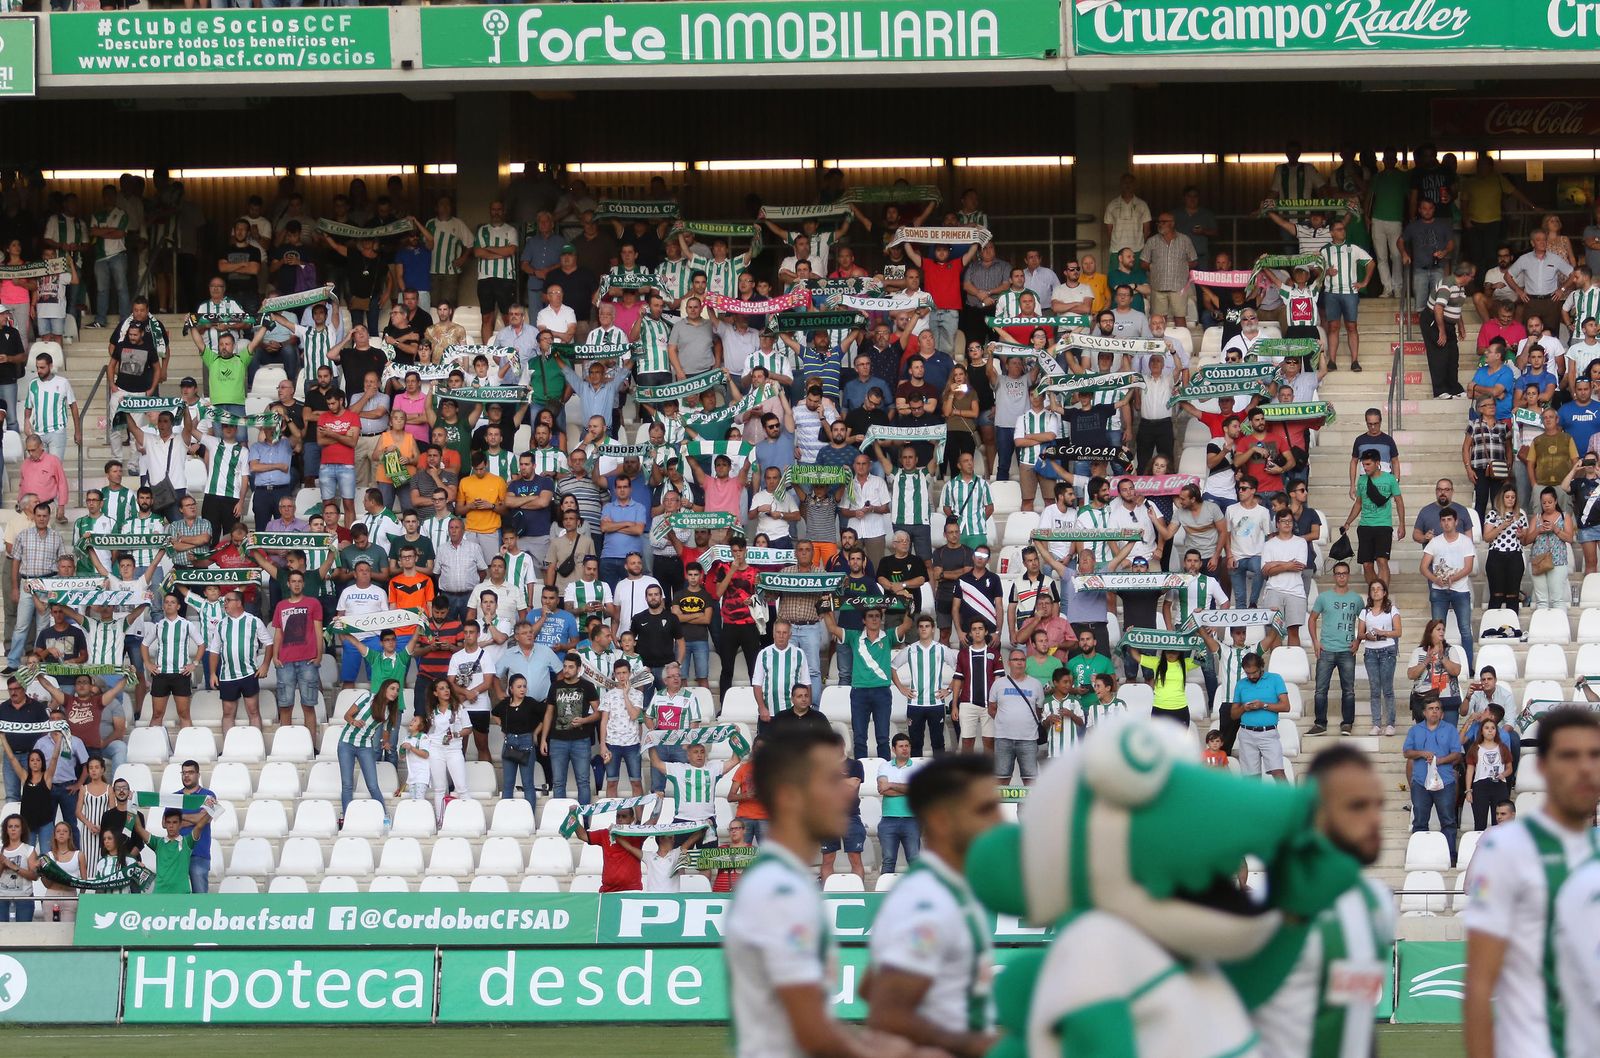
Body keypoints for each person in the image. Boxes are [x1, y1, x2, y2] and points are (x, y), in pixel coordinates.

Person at [725, 728, 920, 1058]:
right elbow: (808, 1027)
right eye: (829, 782)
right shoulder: (780, 891)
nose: (843, 792)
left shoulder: (788, 881)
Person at [1465, 708, 1600, 1058]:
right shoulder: (1505, 849)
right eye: (1569, 756)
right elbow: (1480, 983)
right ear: (1541, 766)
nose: (1584, 767)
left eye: (1595, 755)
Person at [1247, 746, 1393, 1058]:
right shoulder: (1271, 908)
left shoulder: (1376, 901)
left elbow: (1358, 1020)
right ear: (1318, 813)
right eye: (1357, 806)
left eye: (1378, 805)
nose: (1374, 818)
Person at [865, 754, 1001, 1058]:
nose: (1000, 821)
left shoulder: (949, 888)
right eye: (985, 810)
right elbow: (887, 1013)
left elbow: (868, 986)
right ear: (941, 820)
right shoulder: (927, 901)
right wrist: (975, 1045)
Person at [1403, 698, 1464, 866]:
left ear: (1442, 712)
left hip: (1445, 781)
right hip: (1421, 782)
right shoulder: (1415, 730)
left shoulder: (1450, 729)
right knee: (1420, 821)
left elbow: (1457, 754)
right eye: (1431, 708)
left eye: (1437, 708)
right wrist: (1422, 753)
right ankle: (1420, 856)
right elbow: (1406, 752)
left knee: (1448, 821)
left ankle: (1449, 855)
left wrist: (1440, 760)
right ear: (1424, 712)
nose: (1434, 711)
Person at [1308, 561, 1364, 736]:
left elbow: (1364, 620)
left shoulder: (1356, 599)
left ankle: (1347, 723)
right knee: (1320, 689)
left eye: (1344, 573)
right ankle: (1320, 723)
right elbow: (1312, 619)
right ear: (1334, 576)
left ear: (1348, 575)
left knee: (1348, 690)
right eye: (1338, 573)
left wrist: (1358, 640)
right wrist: (1315, 642)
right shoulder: (1324, 597)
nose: (1341, 576)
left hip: (1347, 650)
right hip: (1326, 650)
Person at [1421, 509, 1476, 675]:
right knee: (1436, 630)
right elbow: (1423, 567)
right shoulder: (1435, 542)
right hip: (1439, 590)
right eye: (1443, 520)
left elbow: (1468, 567)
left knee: (1465, 629)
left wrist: (1453, 577)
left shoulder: (1466, 541)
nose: (1446, 523)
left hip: (1460, 590)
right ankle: (1438, 663)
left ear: (1456, 521)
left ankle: (1467, 666)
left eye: (1449, 519)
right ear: (1440, 523)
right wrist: (1435, 579)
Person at [1342, 450, 1404, 587]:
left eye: (1368, 464)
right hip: (1365, 526)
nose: (1365, 467)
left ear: (1377, 463)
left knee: (1382, 561)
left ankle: (1384, 595)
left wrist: (1402, 524)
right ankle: (1375, 592)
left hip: (1383, 525)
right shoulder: (1362, 480)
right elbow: (1358, 503)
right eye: (1363, 465)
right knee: (1367, 564)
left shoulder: (1390, 479)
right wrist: (1348, 522)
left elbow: (1399, 501)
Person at [338, 680, 395, 821]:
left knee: (373, 785)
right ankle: (348, 818)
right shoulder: (367, 697)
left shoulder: (389, 712)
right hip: (346, 743)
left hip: (365, 746)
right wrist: (354, 722)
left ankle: (384, 818)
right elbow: (347, 715)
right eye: (392, 688)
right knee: (347, 784)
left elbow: (386, 732)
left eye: (397, 690)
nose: (395, 692)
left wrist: (385, 743)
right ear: (384, 689)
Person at [492, 672, 550, 807]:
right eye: (519, 686)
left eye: (524, 686)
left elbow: (546, 715)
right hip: (510, 742)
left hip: (526, 742)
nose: (522, 689)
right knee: (508, 784)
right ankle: (505, 817)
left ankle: (529, 816)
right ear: (511, 689)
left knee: (528, 783)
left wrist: (535, 733)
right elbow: (494, 713)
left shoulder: (530, 702)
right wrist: (503, 726)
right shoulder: (505, 704)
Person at [988, 647, 1045, 785]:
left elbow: (1039, 710)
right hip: (1003, 739)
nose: (1019, 663)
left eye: (1022, 660)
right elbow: (991, 708)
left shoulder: (1035, 684)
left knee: (1030, 780)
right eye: (1015, 660)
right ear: (1009, 663)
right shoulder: (998, 684)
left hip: (1028, 739)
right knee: (1001, 779)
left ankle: (1029, 808)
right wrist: (1006, 721)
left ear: (1026, 663)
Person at [1354, 579, 1402, 736]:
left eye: (1379, 589)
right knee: (1374, 689)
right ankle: (1376, 723)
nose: (1375, 591)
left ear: (1385, 592)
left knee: (1387, 688)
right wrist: (1367, 635)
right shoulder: (1365, 612)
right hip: (1370, 652)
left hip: (1387, 650)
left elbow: (1398, 632)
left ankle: (1390, 723)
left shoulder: (1392, 610)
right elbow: (1360, 634)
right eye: (1373, 589)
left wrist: (1382, 633)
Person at [875, 734, 923, 874]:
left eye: (907, 746)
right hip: (888, 819)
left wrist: (891, 785)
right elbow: (882, 789)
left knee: (914, 860)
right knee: (888, 860)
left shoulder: (918, 767)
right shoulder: (884, 766)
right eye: (901, 746)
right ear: (893, 749)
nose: (905, 749)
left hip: (912, 820)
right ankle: (884, 893)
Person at [1464, 715, 1515, 834]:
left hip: (1499, 785)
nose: (1490, 730)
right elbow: (1470, 770)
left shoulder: (1502, 748)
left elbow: (1509, 768)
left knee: (1500, 823)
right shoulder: (1475, 748)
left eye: (1493, 728)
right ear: (1481, 731)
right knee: (1480, 821)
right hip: (1480, 785)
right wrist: (1468, 790)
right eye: (1486, 728)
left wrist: (1503, 774)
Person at [0, 813, 39, 920]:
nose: (13, 829)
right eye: (10, 826)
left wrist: (13, 866)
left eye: (16, 826)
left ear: (22, 830)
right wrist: (2, 865)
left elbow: (34, 876)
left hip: (24, 897)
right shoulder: (1, 850)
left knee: (24, 932)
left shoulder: (29, 849)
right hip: (1, 897)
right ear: (6, 830)